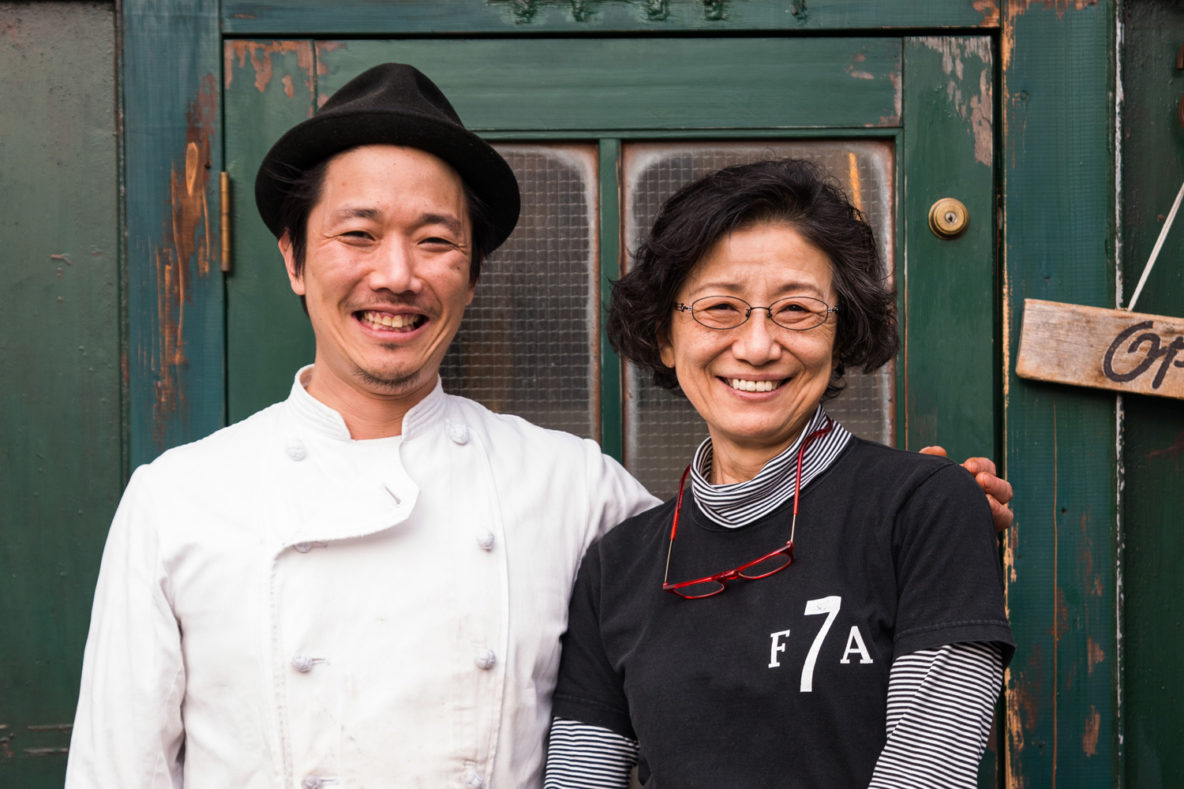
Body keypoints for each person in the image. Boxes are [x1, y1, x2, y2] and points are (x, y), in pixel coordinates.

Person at [66, 65, 1011, 788]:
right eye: (356, 235)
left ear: (472, 273)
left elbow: (754, 549)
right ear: (294, 259)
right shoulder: (178, 498)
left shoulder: (571, 485)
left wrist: (916, 515)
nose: (397, 274)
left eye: (436, 241)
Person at [544, 159, 1015, 788]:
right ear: (664, 336)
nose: (759, 346)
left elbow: (930, 770)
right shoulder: (617, 564)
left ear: (841, 330)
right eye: (719, 308)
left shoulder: (923, 508)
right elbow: (580, 776)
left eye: (796, 309)